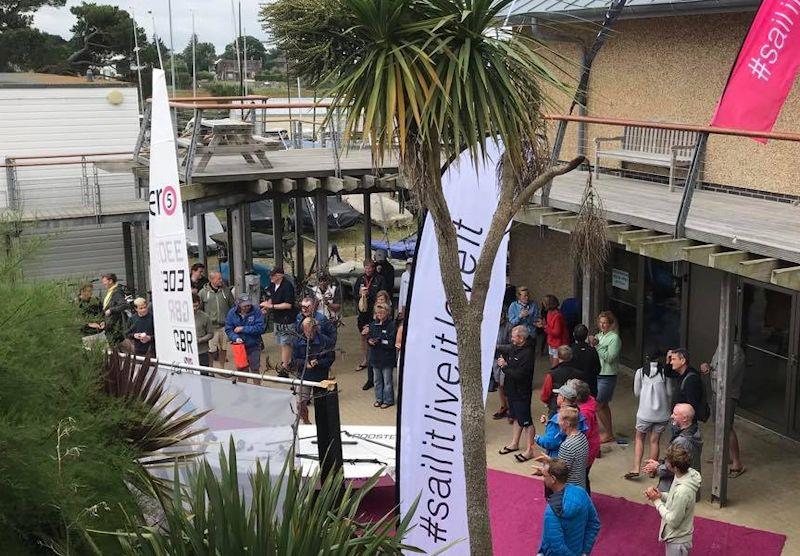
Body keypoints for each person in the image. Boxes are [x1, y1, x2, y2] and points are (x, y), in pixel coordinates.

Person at [645, 445, 701, 556]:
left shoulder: (682, 492)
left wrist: (656, 501)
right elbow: (673, 498)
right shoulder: (683, 474)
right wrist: (661, 495)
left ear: (675, 468)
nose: (665, 464)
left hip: (677, 540)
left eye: (667, 462)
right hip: (678, 536)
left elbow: (673, 521)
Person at [537, 458, 601, 556]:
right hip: (578, 550)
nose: (543, 478)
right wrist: (585, 552)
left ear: (553, 479)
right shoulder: (581, 492)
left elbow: (557, 546)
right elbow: (594, 524)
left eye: (544, 476)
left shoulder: (551, 512)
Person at [701, 342, 747, 478]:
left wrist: (711, 370)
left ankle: (737, 463)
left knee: (727, 427)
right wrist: (707, 367)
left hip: (728, 394)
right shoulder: (721, 346)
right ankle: (723, 455)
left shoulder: (736, 353)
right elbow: (714, 366)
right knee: (718, 425)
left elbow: (727, 376)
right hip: (716, 392)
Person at [627, 354, 672, 480]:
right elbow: (669, 392)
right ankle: (652, 470)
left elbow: (636, 393)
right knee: (654, 441)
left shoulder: (640, 372)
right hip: (662, 414)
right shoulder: (664, 373)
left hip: (644, 414)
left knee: (640, 438)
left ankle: (636, 468)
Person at [496, 325, 537, 463]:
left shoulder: (527, 353)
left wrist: (505, 366)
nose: (511, 339)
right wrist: (493, 345)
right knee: (515, 417)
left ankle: (530, 450)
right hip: (511, 390)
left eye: (513, 337)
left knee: (526, 421)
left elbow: (520, 375)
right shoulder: (515, 347)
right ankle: (514, 443)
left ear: (521, 338)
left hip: (521, 392)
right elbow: (506, 347)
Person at [643, 403, 702, 494]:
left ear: (685, 418)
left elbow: (677, 467)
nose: (671, 416)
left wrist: (657, 467)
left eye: (675, 414)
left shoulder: (681, 441)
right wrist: (660, 463)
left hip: (675, 488)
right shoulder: (694, 431)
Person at [291, 316, 335, 424]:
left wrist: (318, 363)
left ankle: (322, 425)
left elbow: (330, 358)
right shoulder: (298, 341)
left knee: (321, 405)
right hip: (304, 375)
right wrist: (304, 364)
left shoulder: (325, 341)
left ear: (315, 328)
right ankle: (306, 421)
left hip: (320, 377)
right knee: (300, 403)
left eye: (309, 330)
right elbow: (294, 360)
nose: (307, 333)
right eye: (305, 330)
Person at [536, 405, 589, 490]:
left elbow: (560, 472)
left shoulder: (566, 445)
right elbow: (568, 462)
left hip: (569, 489)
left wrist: (543, 471)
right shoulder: (582, 437)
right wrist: (550, 460)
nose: (558, 423)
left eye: (559, 420)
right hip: (580, 485)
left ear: (567, 424)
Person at [590, 310, 621, 443]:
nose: (602, 325)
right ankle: (608, 431)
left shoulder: (614, 338)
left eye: (605, 323)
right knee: (603, 405)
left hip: (607, 375)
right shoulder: (599, 335)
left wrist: (598, 346)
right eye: (601, 322)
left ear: (611, 324)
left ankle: (608, 433)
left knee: (598, 405)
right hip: (597, 373)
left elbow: (609, 358)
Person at [260, 267, 296, 376]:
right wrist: (266, 308)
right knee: (282, 342)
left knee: (286, 342)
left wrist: (271, 306)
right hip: (277, 318)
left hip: (287, 319)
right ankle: (288, 361)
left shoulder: (287, 286)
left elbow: (288, 304)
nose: (271, 277)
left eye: (273, 275)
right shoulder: (272, 285)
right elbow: (271, 298)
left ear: (280, 275)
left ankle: (285, 366)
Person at [355, 259, 385, 378]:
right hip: (363, 313)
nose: (368, 270)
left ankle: (378, 360)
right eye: (366, 268)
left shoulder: (380, 279)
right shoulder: (360, 279)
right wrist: (361, 294)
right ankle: (365, 360)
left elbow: (383, 294)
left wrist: (370, 294)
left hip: (376, 312)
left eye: (370, 268)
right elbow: (354, 294)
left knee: (376, 336)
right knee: (363, 336)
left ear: (373, 268)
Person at [569, 379, 600, 494]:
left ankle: (584, 501)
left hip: (587, 447)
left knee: (581, 477)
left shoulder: (584, 413)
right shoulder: (589, 402)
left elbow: (582, 434)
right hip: (592, 443)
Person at [199, 271, 235, 368]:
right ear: (211, 280)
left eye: (220, 278)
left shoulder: (226, 291)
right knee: (211, 350)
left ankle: (221, 368)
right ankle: (211, 369)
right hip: (211, 327)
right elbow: (200, 309)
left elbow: (233, 306)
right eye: (218, 278)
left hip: (224, 326)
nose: (221, 280)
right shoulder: (202, 293)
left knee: (223, 348)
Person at [541, 346, 590, 416]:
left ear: (558, 356)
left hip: (556, 407)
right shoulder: (580, 374)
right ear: (571, 356)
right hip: (575, 408)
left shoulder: (551, 374)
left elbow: (545, 395)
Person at [225, 294, 266, 375]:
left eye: (249, 305)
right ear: (239, 304)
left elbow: (260, 328)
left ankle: (257, 387)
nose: (247, 307)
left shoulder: (256, 311)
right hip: (239, 347)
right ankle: (242, 387)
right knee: (242, 370)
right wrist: (235, 338)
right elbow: (228, 329)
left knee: (255, 369)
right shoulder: (232, 313)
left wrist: (243, 328)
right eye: (244, 306)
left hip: (254, 345)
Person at [366, 303, 397, 408]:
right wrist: (370, 341)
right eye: (378, 313)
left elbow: (391, 342)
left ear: (387, 312)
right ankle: (379, 399)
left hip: (387, 358)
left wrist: (380, 341)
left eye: (382, 312)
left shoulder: (392, 325)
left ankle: (388, 400)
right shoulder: (372, 324)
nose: (379, 314)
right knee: (377, 380)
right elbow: (369, 337)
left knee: (387, 380)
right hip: (375, 358)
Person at [669, 348, 705, 421]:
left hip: (686, 423)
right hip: (680, 421)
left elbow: (693, 404)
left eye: (673, 359)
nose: (671, 362)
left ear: (683, 361)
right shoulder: (682, 375)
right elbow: (668, 373)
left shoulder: (691, 380)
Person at [491, 312, 515, 420]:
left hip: (506, 358)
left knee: (506, 383)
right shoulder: (492, 325)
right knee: (499, 383)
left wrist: (498, 347)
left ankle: (511, 409)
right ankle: (503, 406)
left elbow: (512, 345)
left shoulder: (509, 327)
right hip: (495, 358)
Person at [536, 295, 569, 368]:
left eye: (544, 302)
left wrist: (544, 327)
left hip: (559, 343)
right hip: (551, 342)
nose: (543, 303)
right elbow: (549, 326)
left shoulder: (558, 316)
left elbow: (557, 332)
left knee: (555, 366)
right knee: (552, 363)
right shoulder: (549, 313)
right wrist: (543, 324)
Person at [570, 324, 601, 397]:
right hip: (590, 385)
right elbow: (598, 369)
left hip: (575, 386)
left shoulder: (571, 350)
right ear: (587, 336)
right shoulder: (592, 350)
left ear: (574, 334)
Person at [100, 273, 129, 347]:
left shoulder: (116, 292)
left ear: (110, 281)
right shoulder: (111, 291)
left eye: (104, 281)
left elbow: (124, 304)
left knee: (118, 343)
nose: (103, 283)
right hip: (111, 323)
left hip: (115, 324)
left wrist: (111, 310)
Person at [193, 293, 214, 370]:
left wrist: (201, 339)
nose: (195, 308)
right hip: (188, 352)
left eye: (196, 306)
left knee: (204, 374)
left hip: (202, 351)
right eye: (193, 306)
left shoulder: (205, 317)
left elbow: (211, 333)